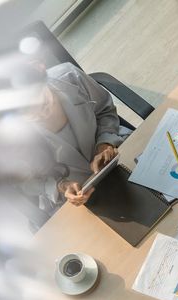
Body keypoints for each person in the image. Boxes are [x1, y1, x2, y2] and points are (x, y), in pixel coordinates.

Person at [18, 62, 127, 228]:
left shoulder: (69, 76)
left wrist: (105, 142)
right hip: (77, 199)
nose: (44, 113)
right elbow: (25, 183)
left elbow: (104, 109)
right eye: (32, 114)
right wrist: (60, 186)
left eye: (45, 102)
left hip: (117, 158)